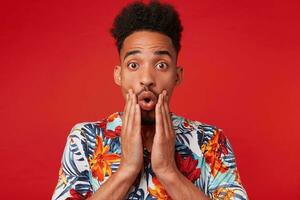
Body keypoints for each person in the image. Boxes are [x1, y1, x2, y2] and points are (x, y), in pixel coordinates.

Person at [52, 1, 248, 199]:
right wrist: (126, 169)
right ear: (118, 75)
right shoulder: (85, 139)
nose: (146, 79)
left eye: (161, 65)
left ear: (177, 76)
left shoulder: (210, 141)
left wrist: (168, 171)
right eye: (133, 65)